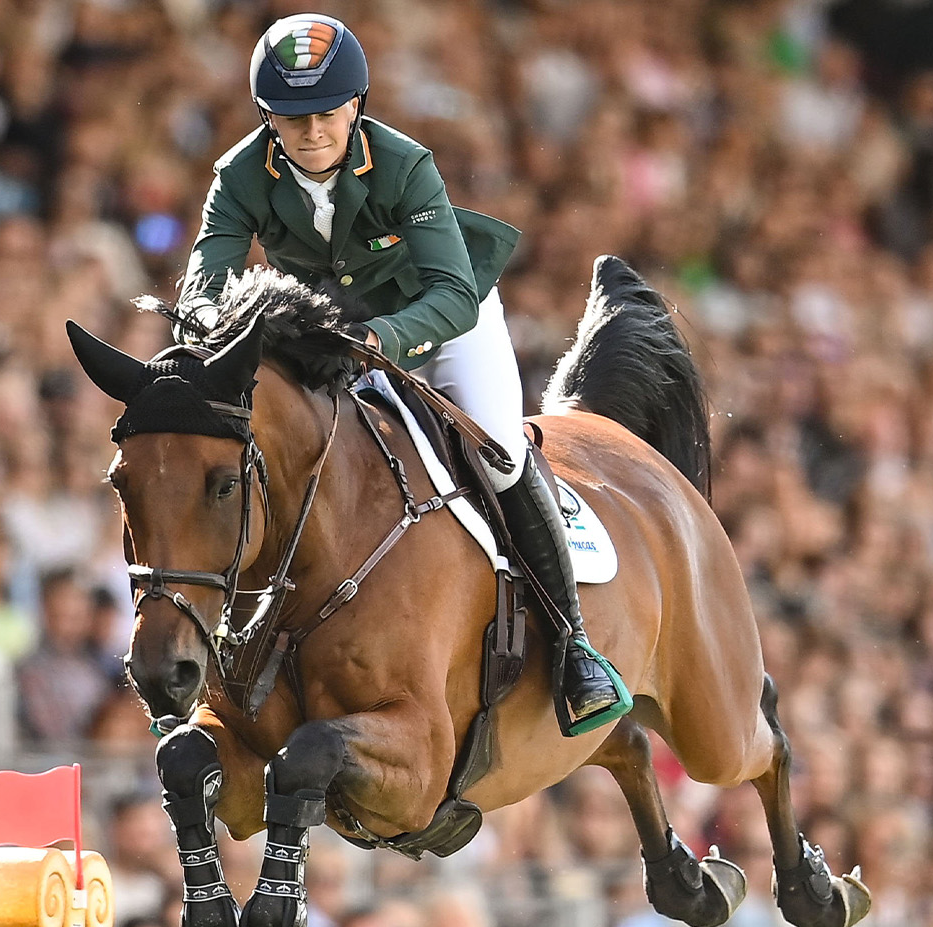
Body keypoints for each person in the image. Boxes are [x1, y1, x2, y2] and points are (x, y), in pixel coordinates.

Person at [174, 14, 625, 736]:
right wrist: (205, 330)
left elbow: (449, 292)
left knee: (501, 453)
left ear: (356, 105)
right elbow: (202, 283)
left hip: (441, 324)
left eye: (326, 113)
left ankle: (574, 646)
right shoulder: (238, 174)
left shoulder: (402, 163)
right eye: (291, 119)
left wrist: (374, 339)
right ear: (267, 117)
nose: (312, 132)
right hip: (332, 341)